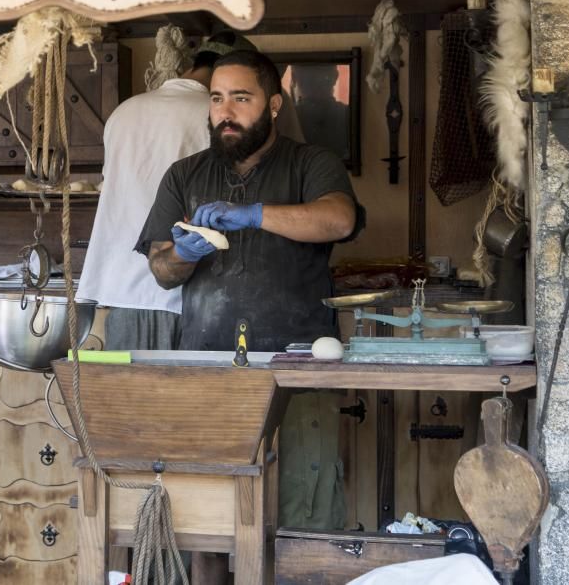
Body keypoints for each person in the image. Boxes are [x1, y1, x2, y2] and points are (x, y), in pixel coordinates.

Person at [136, 48, 363, 530]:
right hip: (206, 367)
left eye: (241, 98)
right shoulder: (185, 174)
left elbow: (339, 219)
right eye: (218, 99)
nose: (226, 112)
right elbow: (162, 269)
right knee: (206, 519)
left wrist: (257, 215)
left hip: (298, 367)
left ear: (274, 105)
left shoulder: (310, 163)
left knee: (301, 513)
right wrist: (184, 254)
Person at [77, 30, 302, 350]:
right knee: (196, 399)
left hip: (123, 292)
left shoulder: (124, 111)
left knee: (134, 399)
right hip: (190, 294)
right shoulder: (221, 116)